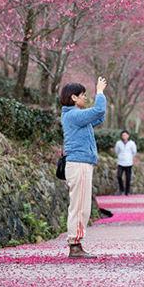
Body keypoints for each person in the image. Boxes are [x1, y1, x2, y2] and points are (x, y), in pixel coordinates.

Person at [60, 76, 107, 258]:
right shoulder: (73, 115)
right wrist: (100, 92)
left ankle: (76, 243)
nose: (85, 98)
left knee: (82, 206)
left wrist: (100, 100)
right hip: (78, 164)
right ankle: (75, 245)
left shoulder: (76, 117)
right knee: (79, 206)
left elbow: (99, 116)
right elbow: (98, 110)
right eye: (82, 95)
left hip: (82, 163)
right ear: (73, 98)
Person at [115, 130, 137, 196]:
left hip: (129, 163)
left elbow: (134, 152)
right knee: (119, 176)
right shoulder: (118, 143)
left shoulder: (132, 143)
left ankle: (127, 192)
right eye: (123, 135)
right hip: (120, 162)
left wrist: (130, 157)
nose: (124, 136)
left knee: (128, 178)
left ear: (128, 136)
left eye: (125, 135)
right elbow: (116, 151)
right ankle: (121, 189)